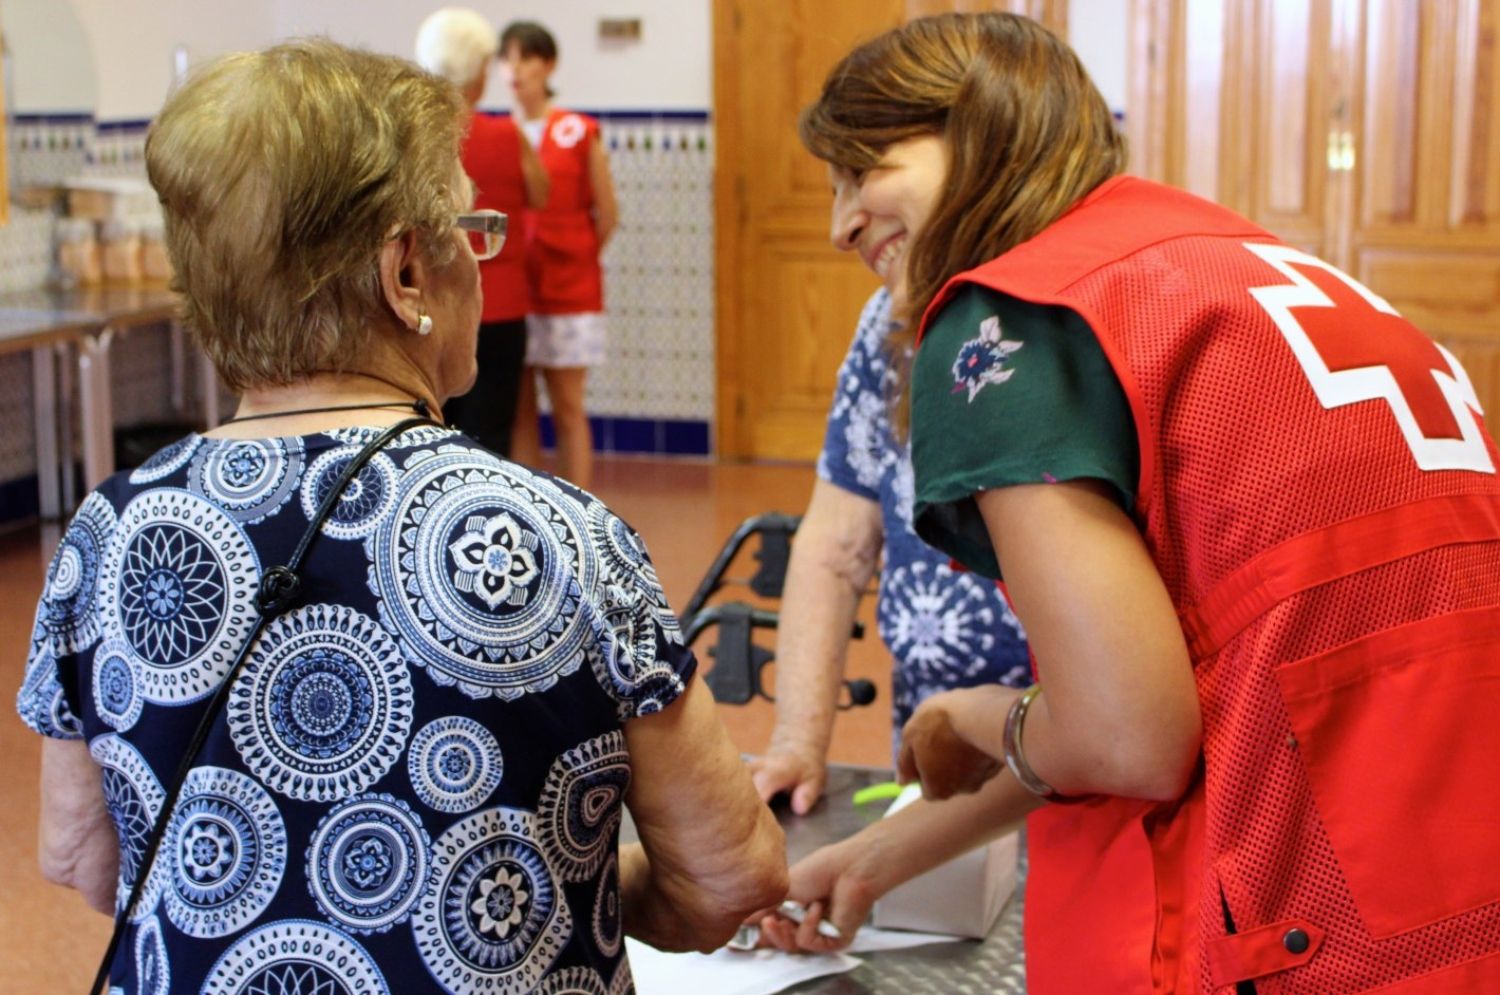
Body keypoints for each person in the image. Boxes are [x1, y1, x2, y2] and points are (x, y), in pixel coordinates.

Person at [15, 40, 785, 995]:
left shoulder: (106, 531)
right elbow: (730, 875)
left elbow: (83, 858)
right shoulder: (557, 532)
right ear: (407, 274)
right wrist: (543, 889)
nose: (483, 255)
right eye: (473, 227)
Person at [762, 12, 1500, 994]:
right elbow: (1169, 687)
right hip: (1441, 848)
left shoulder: (1006, 319)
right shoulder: (1223, 258)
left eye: (864, 169)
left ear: (979, 128)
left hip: (1302, 899)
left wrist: (967, 713)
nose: (840, 221)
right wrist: (876, 856)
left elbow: (1130, 738)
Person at [747, 284, 1031, 818]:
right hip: (939, 760)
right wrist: (797, 743)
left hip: (1077, 774)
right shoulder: (892, 311)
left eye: (860, 192)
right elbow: (837, 546)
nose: (842, 228)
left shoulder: (1083, 305)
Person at [415, 7, 548, 458]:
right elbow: (540, 192)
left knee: (435, 429)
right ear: (478, 70)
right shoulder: (507, 135)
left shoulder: (414, 141)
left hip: (435, 302)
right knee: (492, 434)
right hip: (502, 304)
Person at [501, 20, 618, 490]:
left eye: (526, 57)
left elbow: (607, 212)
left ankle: (583, 510)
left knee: (568, 406)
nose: (516, 68)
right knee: (520, 410)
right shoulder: (499, 132)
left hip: (568, 289)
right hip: (515, 291)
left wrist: (576, 256)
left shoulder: (576, 130)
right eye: (508, 58)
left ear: (547, 65)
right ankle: (531, 507)